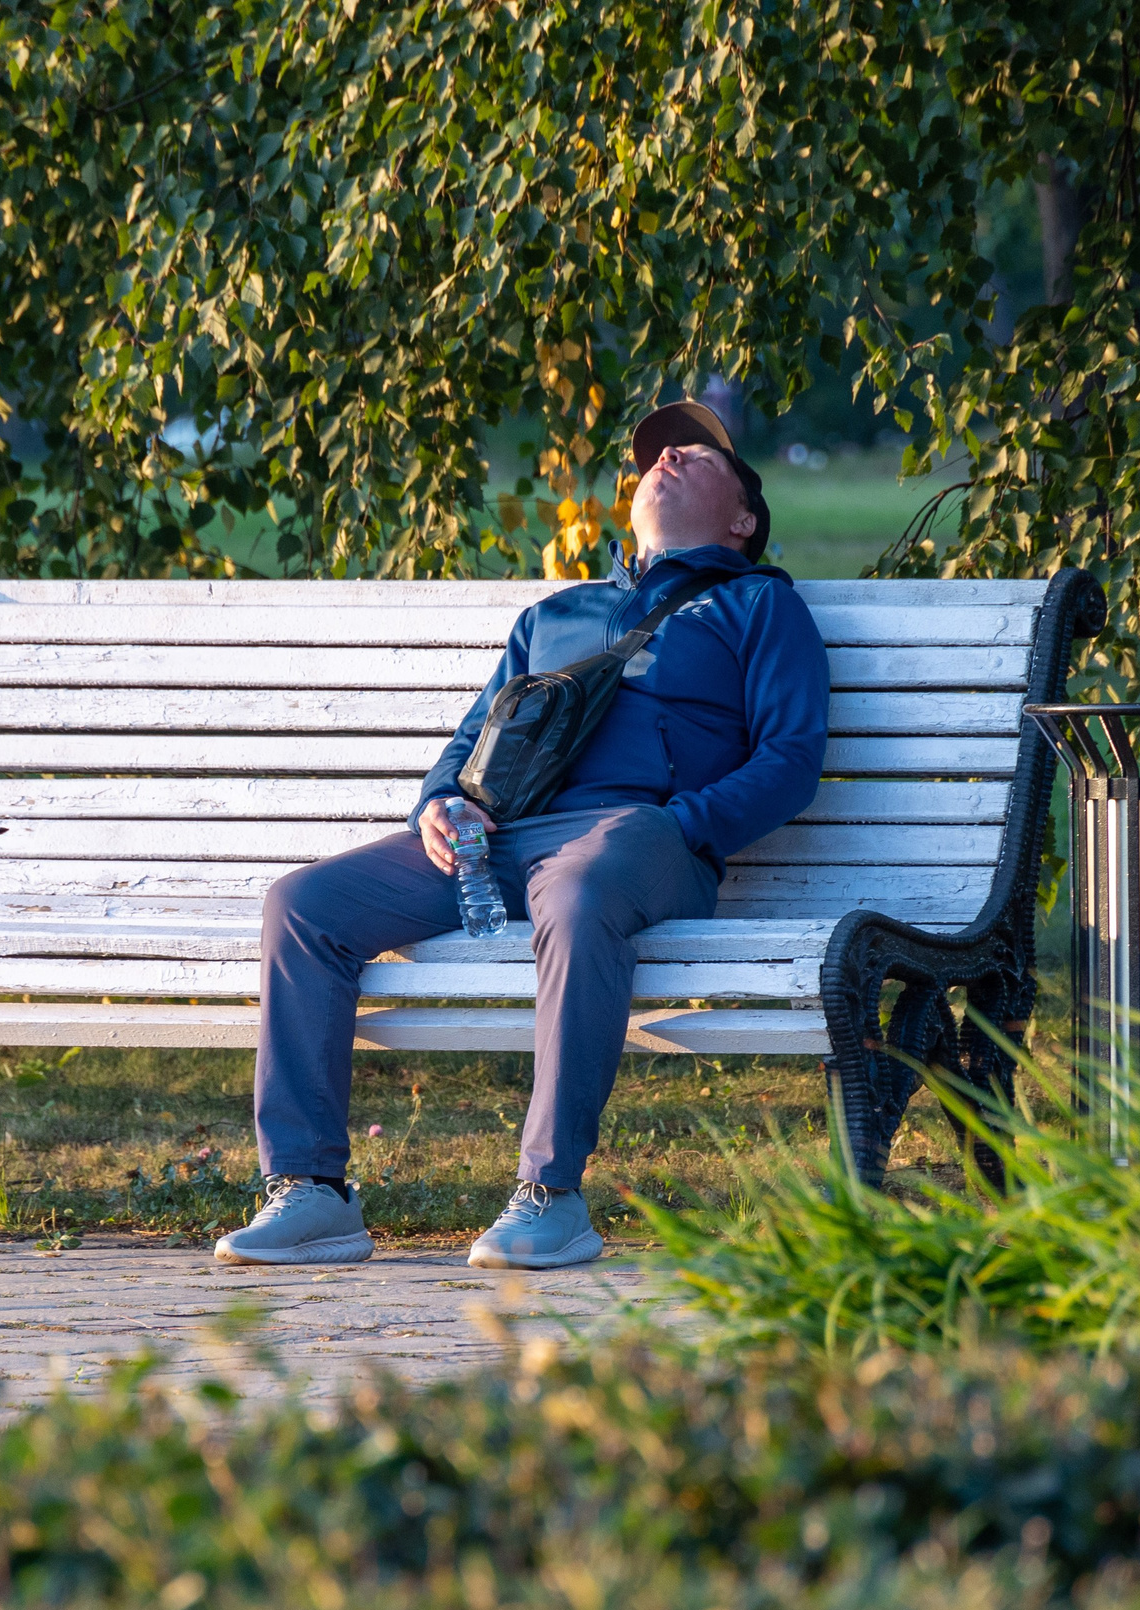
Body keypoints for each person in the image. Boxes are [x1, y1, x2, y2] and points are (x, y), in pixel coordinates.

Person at [214, 401, 830, 1270]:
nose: (669, 459)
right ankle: (311, 1190)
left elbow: (791, 759)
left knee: (577, 891)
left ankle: (551, 1194)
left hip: (642, 839)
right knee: (305, 905)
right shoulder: (557, 614)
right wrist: (438, 802)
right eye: (655, 455)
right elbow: (473, 738)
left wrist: (683, 822)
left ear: (743, 518)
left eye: (697, 453)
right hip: (504, 838)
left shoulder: (760, 607)